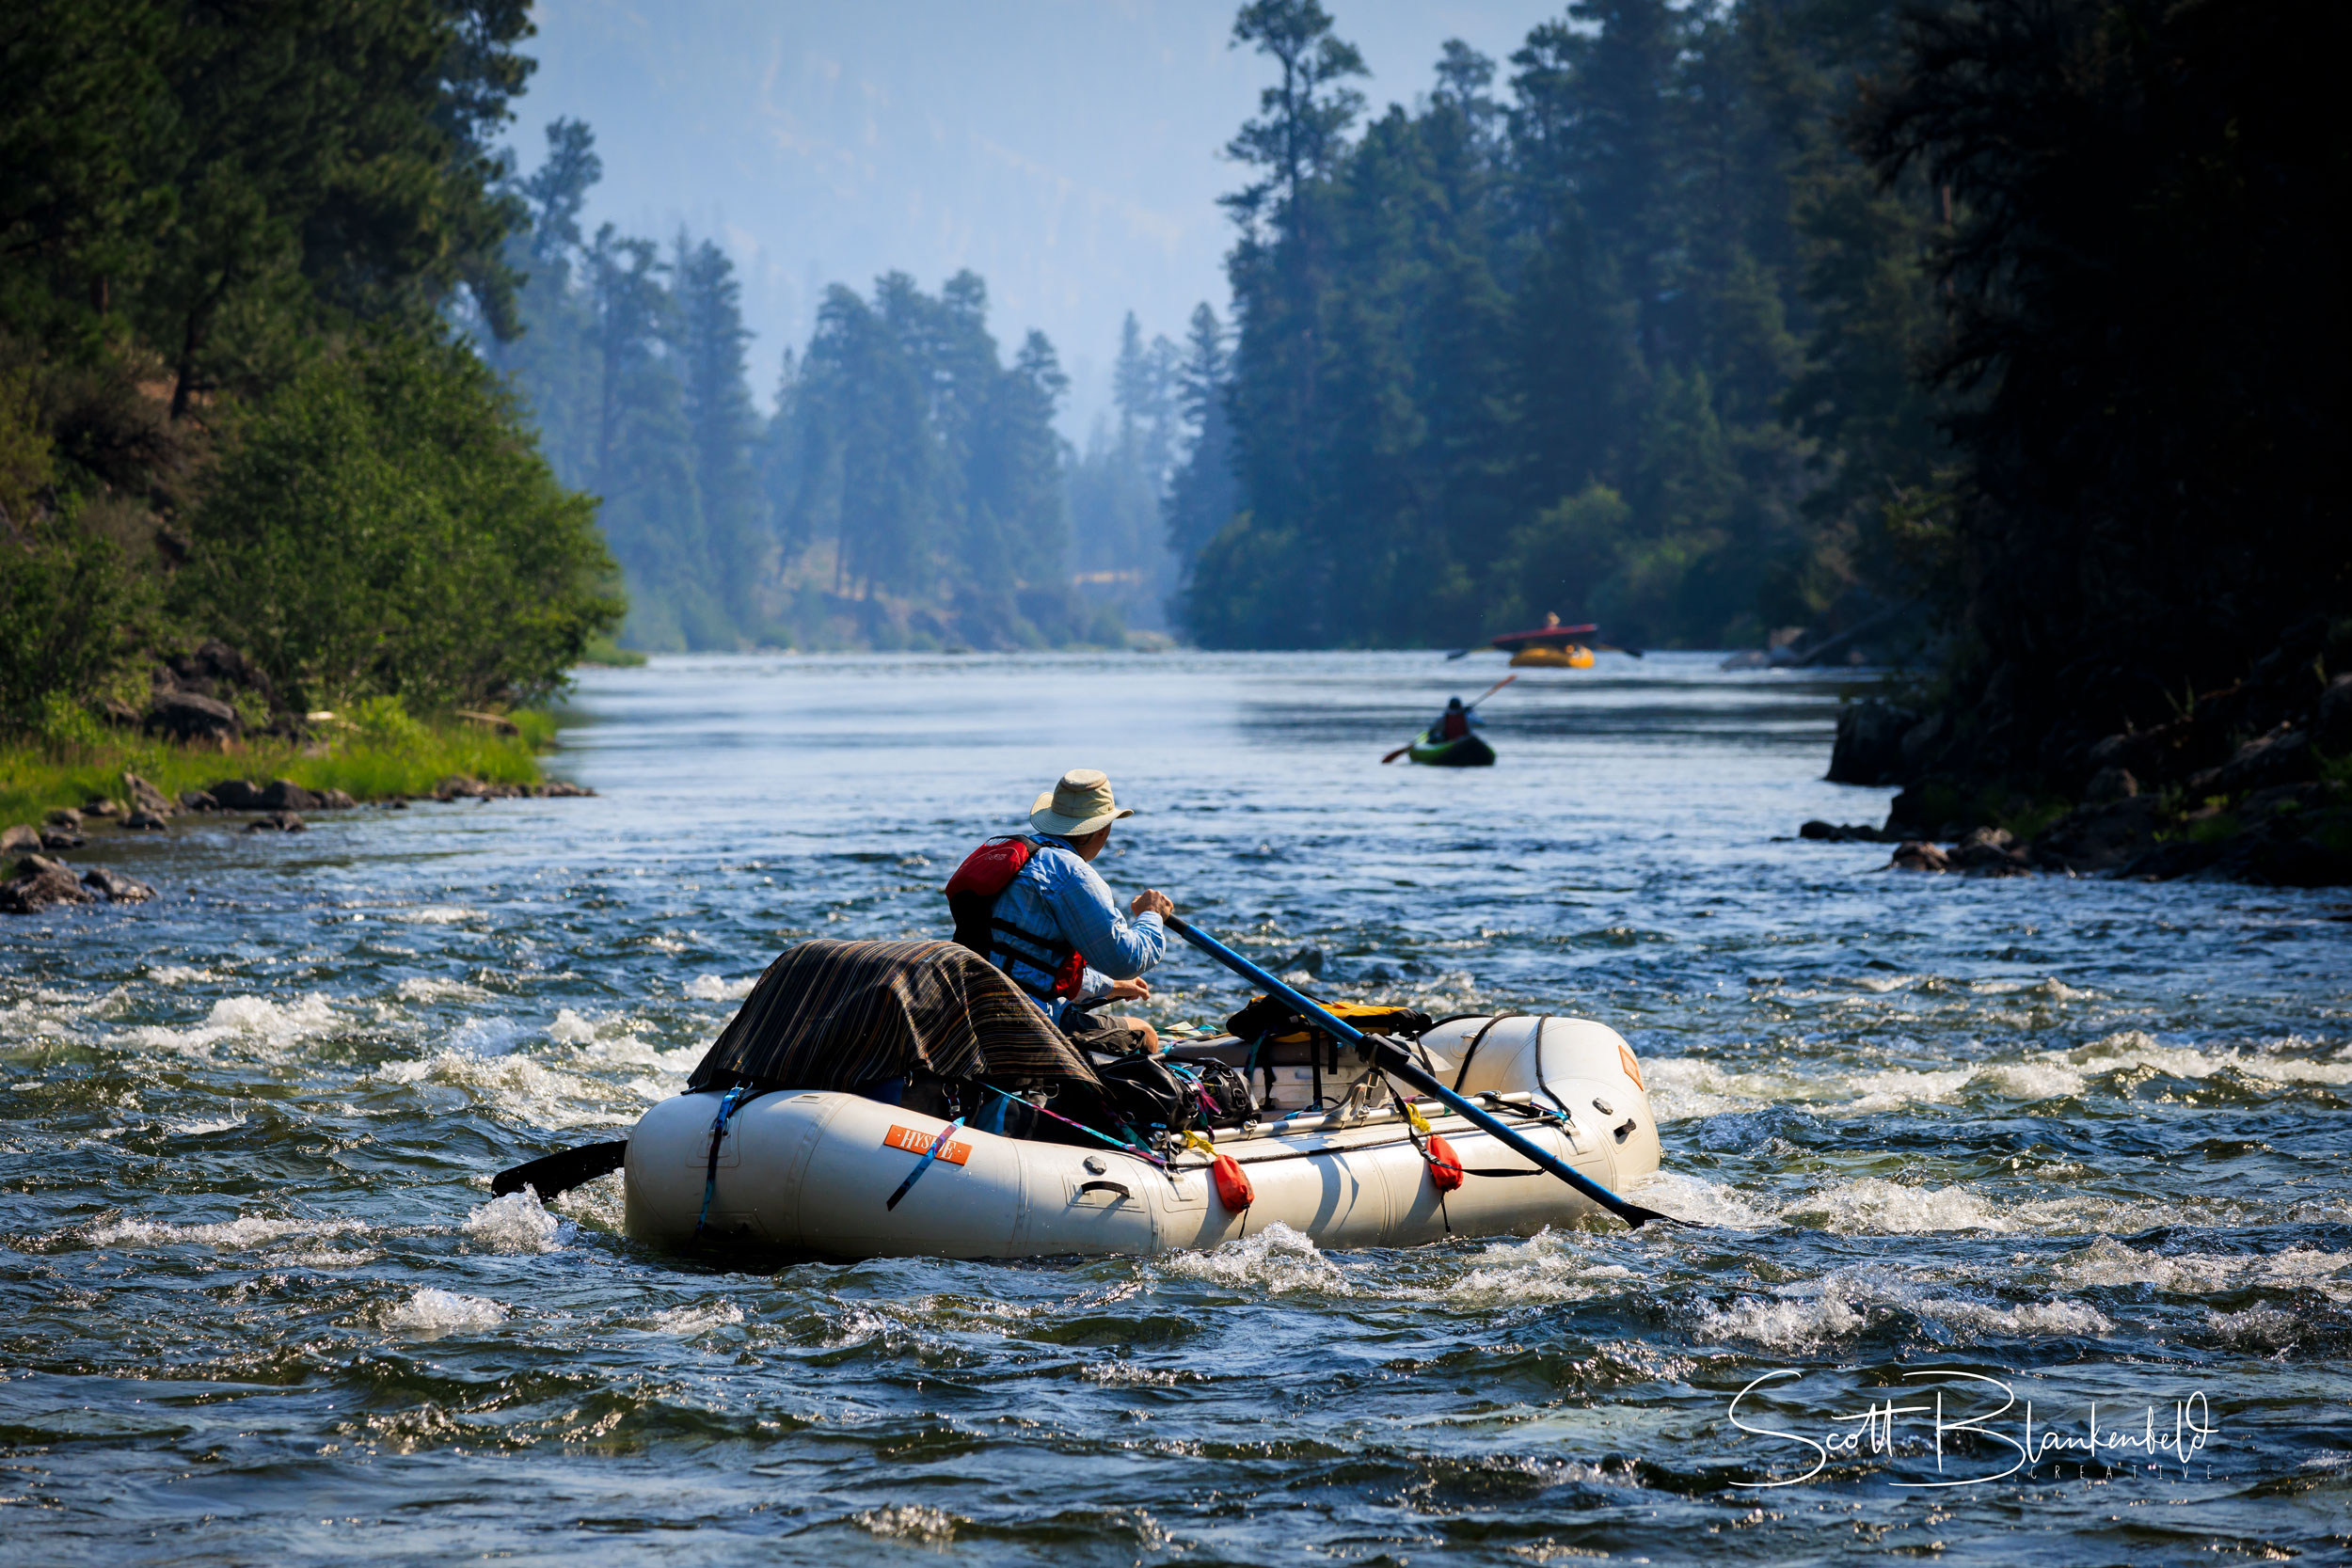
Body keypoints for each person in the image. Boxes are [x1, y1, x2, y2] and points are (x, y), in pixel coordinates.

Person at [982, 768, 1173, 1056]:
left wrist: (1112, 987)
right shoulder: (1071, 874)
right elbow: (1126, 959)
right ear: (1101, 829)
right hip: (1030, 1020)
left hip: (980, 1004)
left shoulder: (1011, 857)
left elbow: (1030, 965)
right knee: (1145, 1033)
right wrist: (1152, 915)